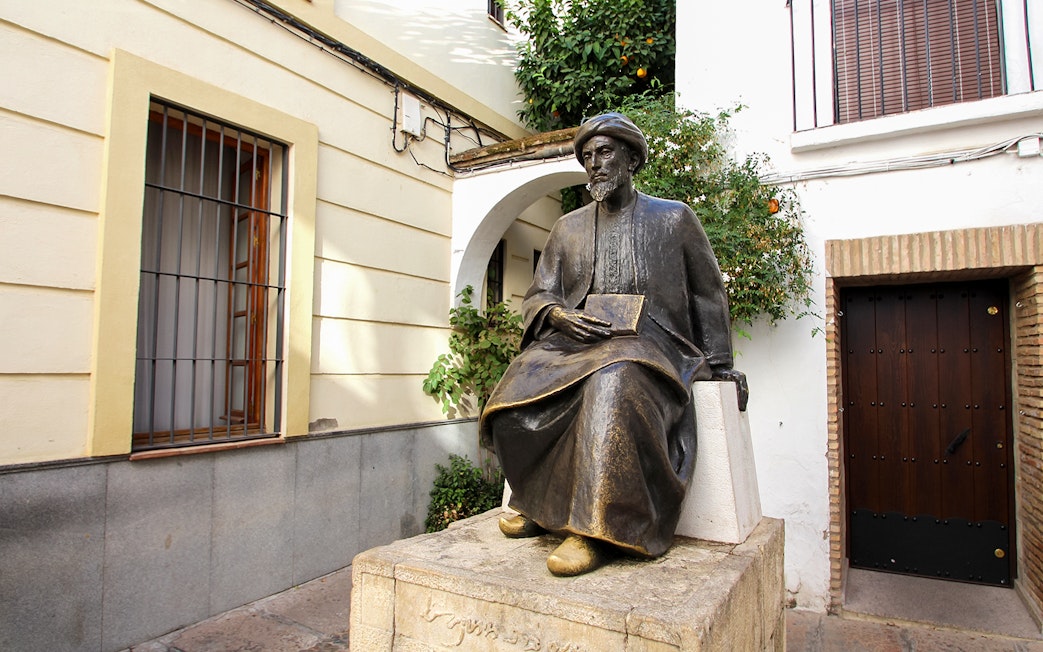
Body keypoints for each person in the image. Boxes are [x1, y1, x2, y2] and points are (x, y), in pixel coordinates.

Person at [479, 113, 748, 577]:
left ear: (631, 158)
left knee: (614, 380)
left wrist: (721, 363)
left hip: (653, 341)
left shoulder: (674, 218)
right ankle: (538, 506)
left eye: (604, 153)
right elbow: (540, 294)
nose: (594, 164)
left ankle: (592, 527)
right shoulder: (568, 228)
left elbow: (707, 292)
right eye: (587, 157)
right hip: (578, 342)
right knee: (516, 388)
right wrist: (559, 315)